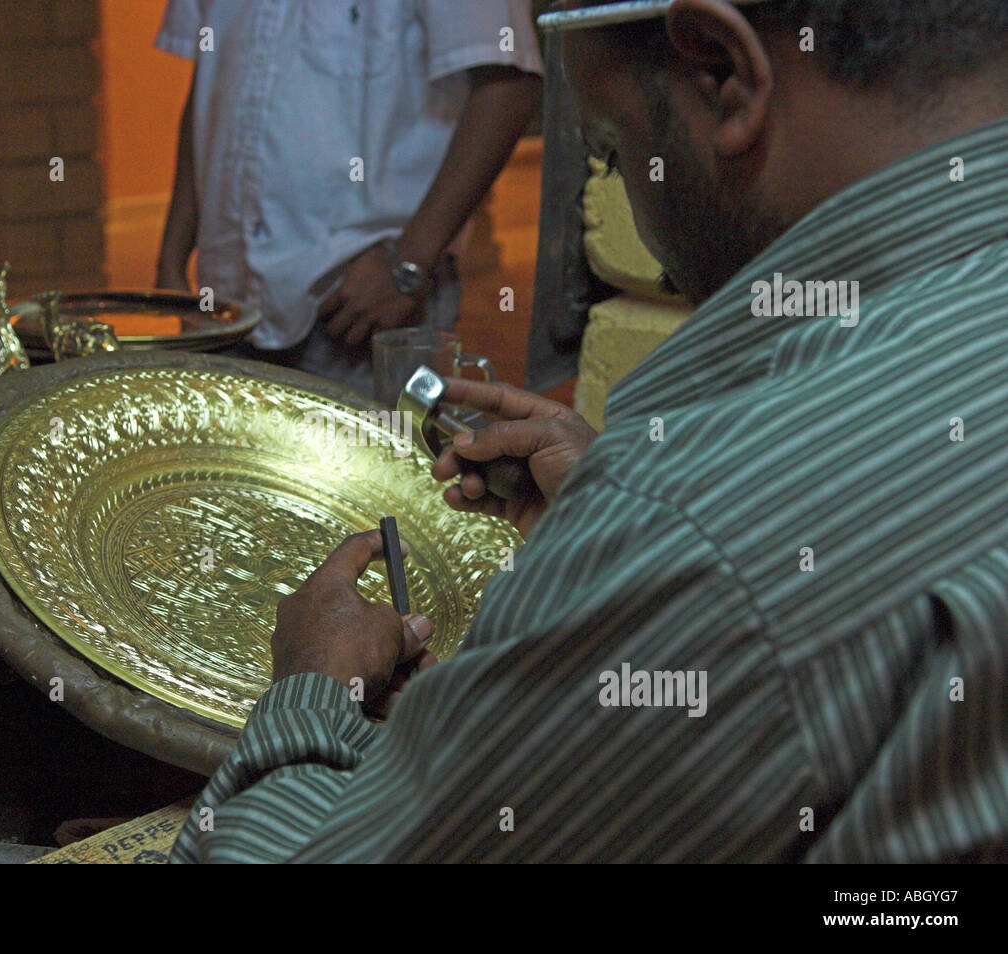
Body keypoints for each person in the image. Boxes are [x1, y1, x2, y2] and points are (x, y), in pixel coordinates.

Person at [171, 0, 1008, 862]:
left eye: (610, 150)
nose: (632, 199)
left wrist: (313, 691)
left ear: (722, 74)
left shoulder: (700, 531)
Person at [154, 0, 544, 393]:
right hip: (223, 312)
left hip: (362, 312)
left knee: (382, 454)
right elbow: (211, 90)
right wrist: (171, 261)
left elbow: (508, 86)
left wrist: (407, 265)